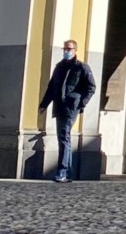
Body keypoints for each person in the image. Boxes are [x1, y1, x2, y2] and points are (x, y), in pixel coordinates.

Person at [39, 39, 96, 182]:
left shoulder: (82, 67)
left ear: (75, 51)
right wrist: (44, 104)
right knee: (63, 137)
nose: (66, 51)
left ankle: (62, 171)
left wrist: (81, 102)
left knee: (64, 136)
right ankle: (68, 172)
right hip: (59, 106)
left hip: (71, 106)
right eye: (65, 48)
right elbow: (52, 87)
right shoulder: (59, 67)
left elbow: (91, 87)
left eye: (69, 49)